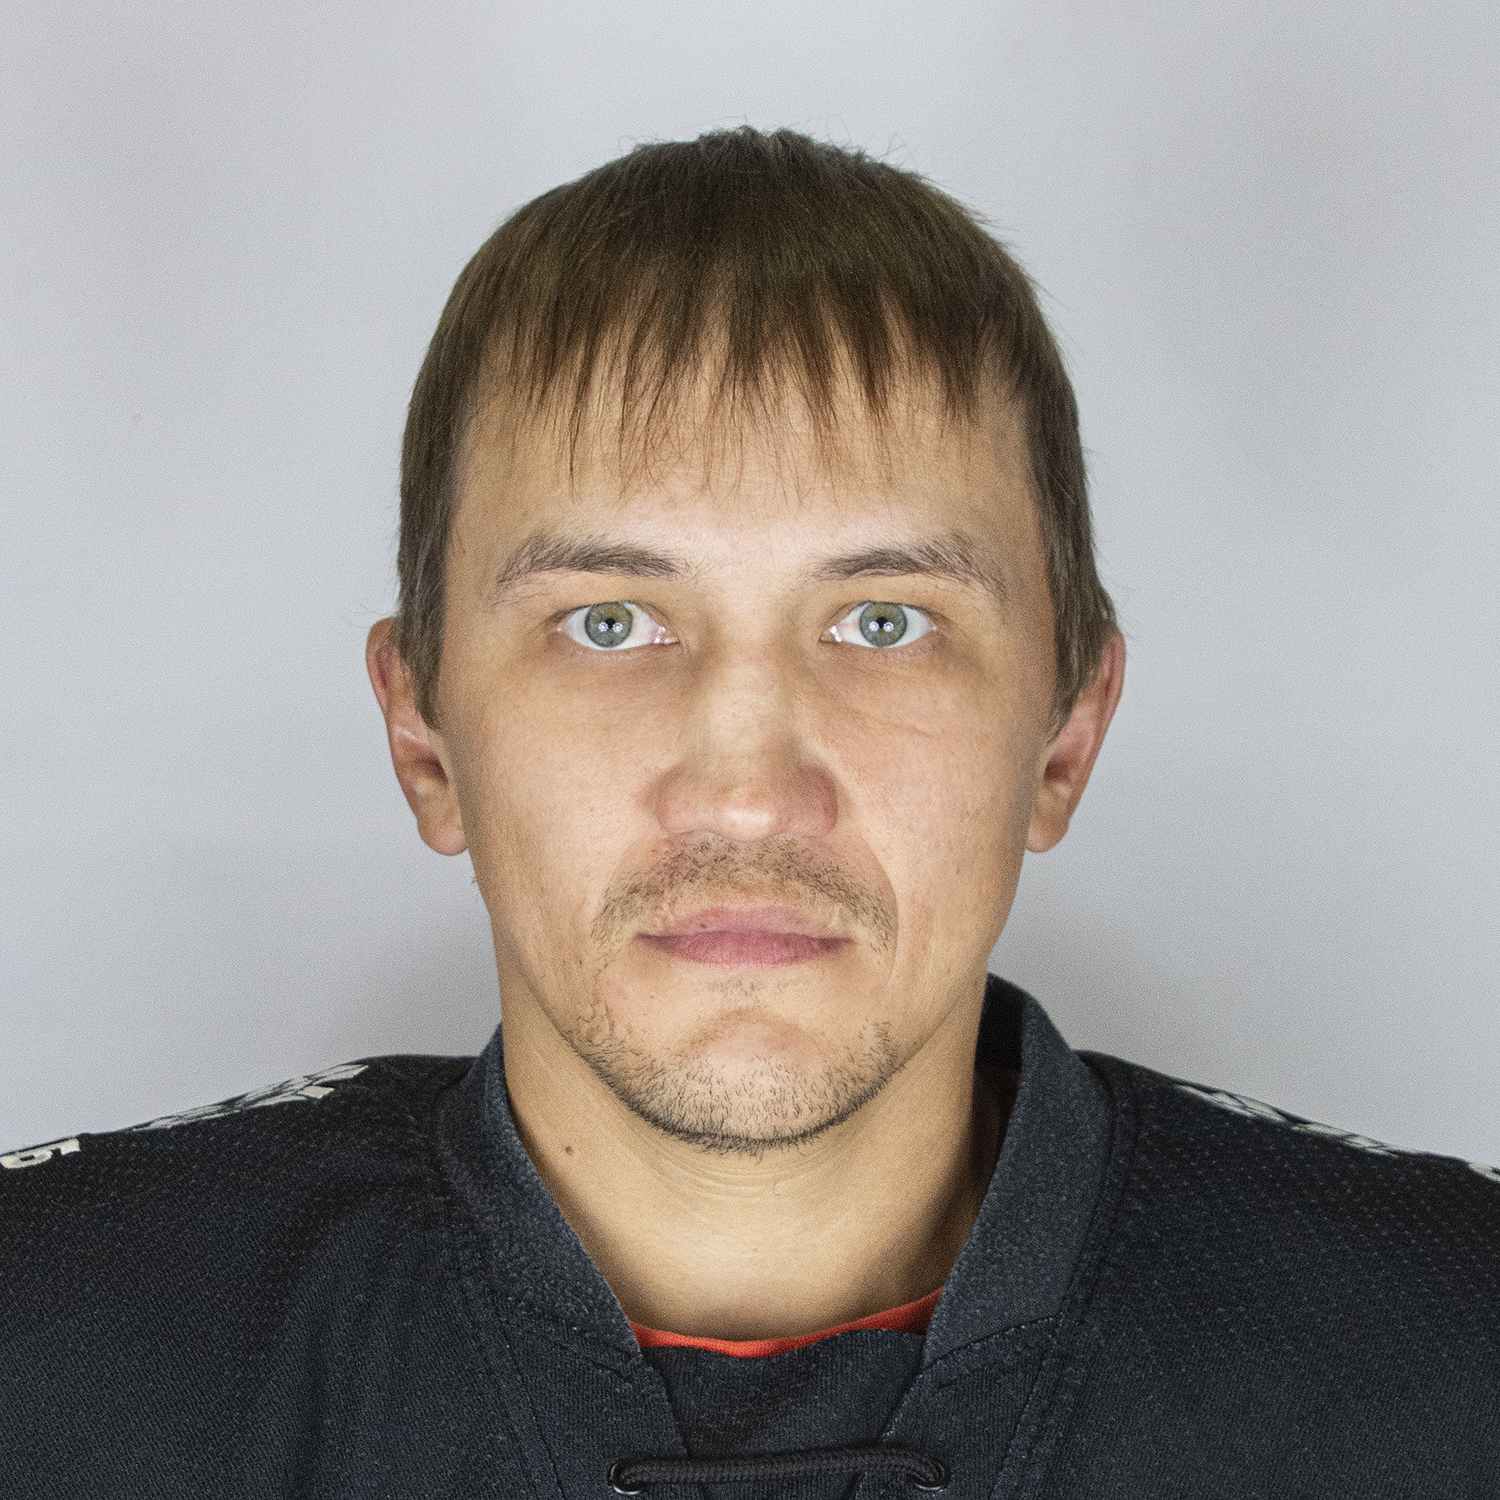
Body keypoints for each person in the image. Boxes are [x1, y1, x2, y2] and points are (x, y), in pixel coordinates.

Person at [2, 127, 1496, 1499]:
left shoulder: (1456, 1353)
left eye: (885, 622)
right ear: (425, 742)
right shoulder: (47, 1343)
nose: (745, 793)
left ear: (1064, 740)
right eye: (607, 622)